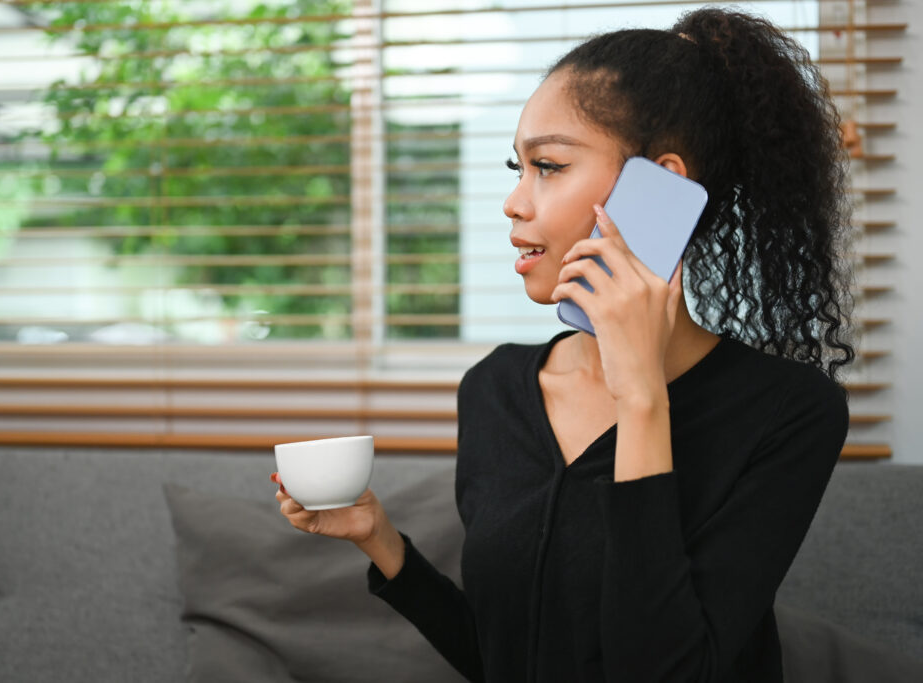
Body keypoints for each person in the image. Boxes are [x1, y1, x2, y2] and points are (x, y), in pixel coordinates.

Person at [272, 7, 854, 682]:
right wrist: (381, 540)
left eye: (548, 165)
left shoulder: (791, 413)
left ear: (662, 185)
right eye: (517, 167)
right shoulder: (494, 389)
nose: (513, 203)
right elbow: (506, 660)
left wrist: (641, 401)